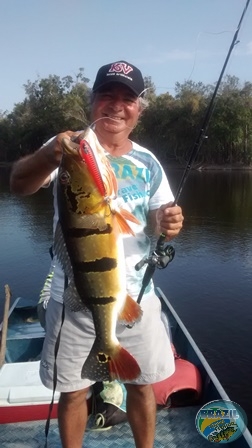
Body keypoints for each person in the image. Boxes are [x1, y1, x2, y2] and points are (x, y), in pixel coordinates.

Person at [10, 60, 184, 448]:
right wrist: (49, 157)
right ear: (92, 101)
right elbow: (19, 184)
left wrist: (167, 220)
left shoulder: (148, 162)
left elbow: (158, 216)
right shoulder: (69, 150)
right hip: (72, 300)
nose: (116, 106)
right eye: (107, 95)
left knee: (142, 386)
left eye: (127, 99)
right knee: (72, 392)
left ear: (138, 109)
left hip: (136, 296)